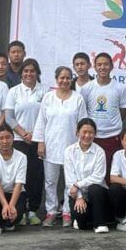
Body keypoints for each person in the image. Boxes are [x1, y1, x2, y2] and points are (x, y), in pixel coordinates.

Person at [34, 66, 88, 227]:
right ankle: (51, 211)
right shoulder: (48, 98)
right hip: (50, 146)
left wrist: (82, 145)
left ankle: (66, 212)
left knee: (70, 182)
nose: (64, 80)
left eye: (67, 78)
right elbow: (41, 122)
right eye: (61, 78)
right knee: (50, 181)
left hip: (72, 147)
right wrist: (40, 143)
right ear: (56, 79)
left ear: (72, 80)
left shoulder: (78, 98)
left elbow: (83, 123)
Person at [3, 58, 45, 225]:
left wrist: (35, 135)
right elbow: (9, 117)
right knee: (21, 176)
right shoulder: (13, 92)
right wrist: (23, 133)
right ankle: (20, 208)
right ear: (21, 74)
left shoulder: (45, 91)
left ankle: (33, 210)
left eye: (32, 71)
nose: (29, 74)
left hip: (39, 140)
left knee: (36, 175)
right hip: (20, 140)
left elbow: (47, 117)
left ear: (37, 73)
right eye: (25, 71)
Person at [81, 52, 126, 172]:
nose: (103, 67)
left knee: (111, 171)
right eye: (99, 64)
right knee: (92, 170)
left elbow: (123, 111)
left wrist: (112, 123)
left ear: (111, 66)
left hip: (113, 137)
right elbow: (83, 111)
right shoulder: (87, 88)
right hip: (93, 137)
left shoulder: (119, 88)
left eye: (106, 64)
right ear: (95, 67)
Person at [64, 118, 112, 233]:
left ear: (95, 134)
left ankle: (100, 224)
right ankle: (82, 219)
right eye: (84, 132)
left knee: (94, 188)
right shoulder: (69, 151)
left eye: (91, 132)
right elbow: (70, 178)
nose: (87, 135)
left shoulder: (99, 151)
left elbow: (98, 177)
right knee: (82, 224)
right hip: (77, 194)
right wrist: (79, 197)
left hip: (97, 194)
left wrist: (77, 184)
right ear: (77, 132)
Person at [0, 124, 28, 234]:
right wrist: (5, 205)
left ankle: (9, 222)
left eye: (8, 137)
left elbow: (19, 183)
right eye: (1, 138)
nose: (5, 141)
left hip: (15, 193)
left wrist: (11, 205)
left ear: (13, 138)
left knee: (14, 218)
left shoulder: (22, 157)